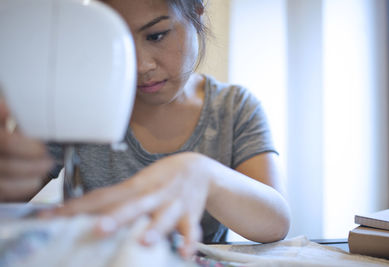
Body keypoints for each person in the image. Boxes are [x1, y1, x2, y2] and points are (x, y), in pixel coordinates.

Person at [0, 0, 290, 259]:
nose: (140, 65)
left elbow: (275, 223)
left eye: (156, 35)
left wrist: (203, 174)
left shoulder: (233, 108)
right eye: (119, 41)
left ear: (197, 15)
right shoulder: (76, 108)